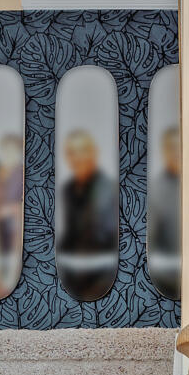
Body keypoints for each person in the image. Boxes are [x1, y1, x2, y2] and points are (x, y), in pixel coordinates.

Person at [56, 128, 119, 302]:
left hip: (104, 279)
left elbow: (107, 239)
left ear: (94, 153)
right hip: (71, 278)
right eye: (72, 152)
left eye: (83, 150)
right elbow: (69, 235)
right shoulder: (67, 189)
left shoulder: (107, 189)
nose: (77, 157)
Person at [146, 123, 183, 299]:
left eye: (179, 147)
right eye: (171, 148)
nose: (176, 153)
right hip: (164, 264)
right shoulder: (158, 188)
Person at [0, 133, 26, 298]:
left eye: (12, 150)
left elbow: (23, 201)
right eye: (5, 150)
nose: (8, 154)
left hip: (15, 223)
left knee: (12, 258)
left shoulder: (21, 173)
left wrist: (9, 210)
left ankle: (9, 288)